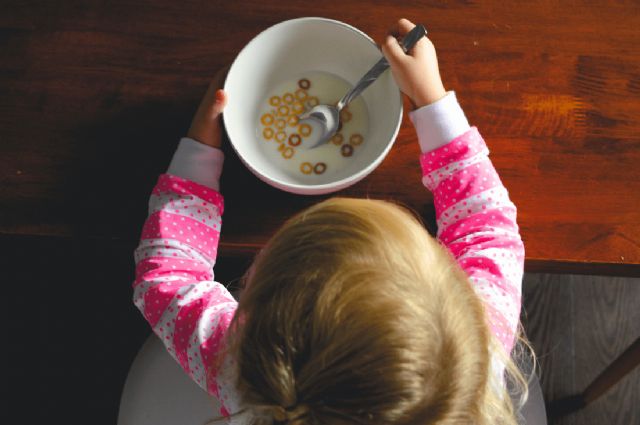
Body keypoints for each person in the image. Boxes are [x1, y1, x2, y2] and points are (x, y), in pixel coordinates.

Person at [133, 18, 539, 425]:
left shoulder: (237, 364)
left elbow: (166, 277)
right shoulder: (478, 351)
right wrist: (432, 100)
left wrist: (200, 147)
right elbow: (487, 228)